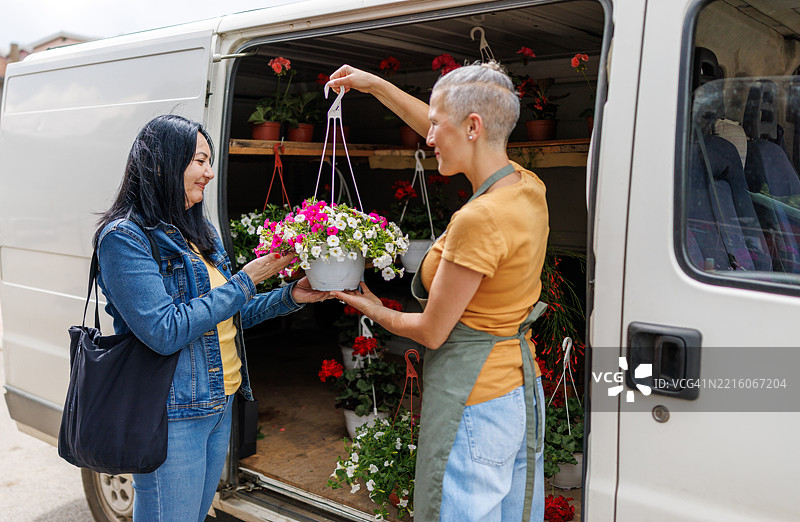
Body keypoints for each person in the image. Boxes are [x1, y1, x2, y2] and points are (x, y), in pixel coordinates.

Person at [327, 62, 549, 521]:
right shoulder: (527, 187)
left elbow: (431, 331)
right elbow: (437, 122)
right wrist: (372, 86)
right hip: (516, 389)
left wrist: (373, 308)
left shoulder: (479, 219)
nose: (428, 139)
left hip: (475, 397)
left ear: (473, 127)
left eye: (436, 127)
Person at [93, 114, 329, 520]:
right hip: (172, 412)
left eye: (208, 161)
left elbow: (226, 316)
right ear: (165, 163)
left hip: (220, 401)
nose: (210, 172)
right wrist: (244, 282)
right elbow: (164, 331)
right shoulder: (124, 238)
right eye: (200, 161)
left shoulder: (197, 231)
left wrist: (291, 296)